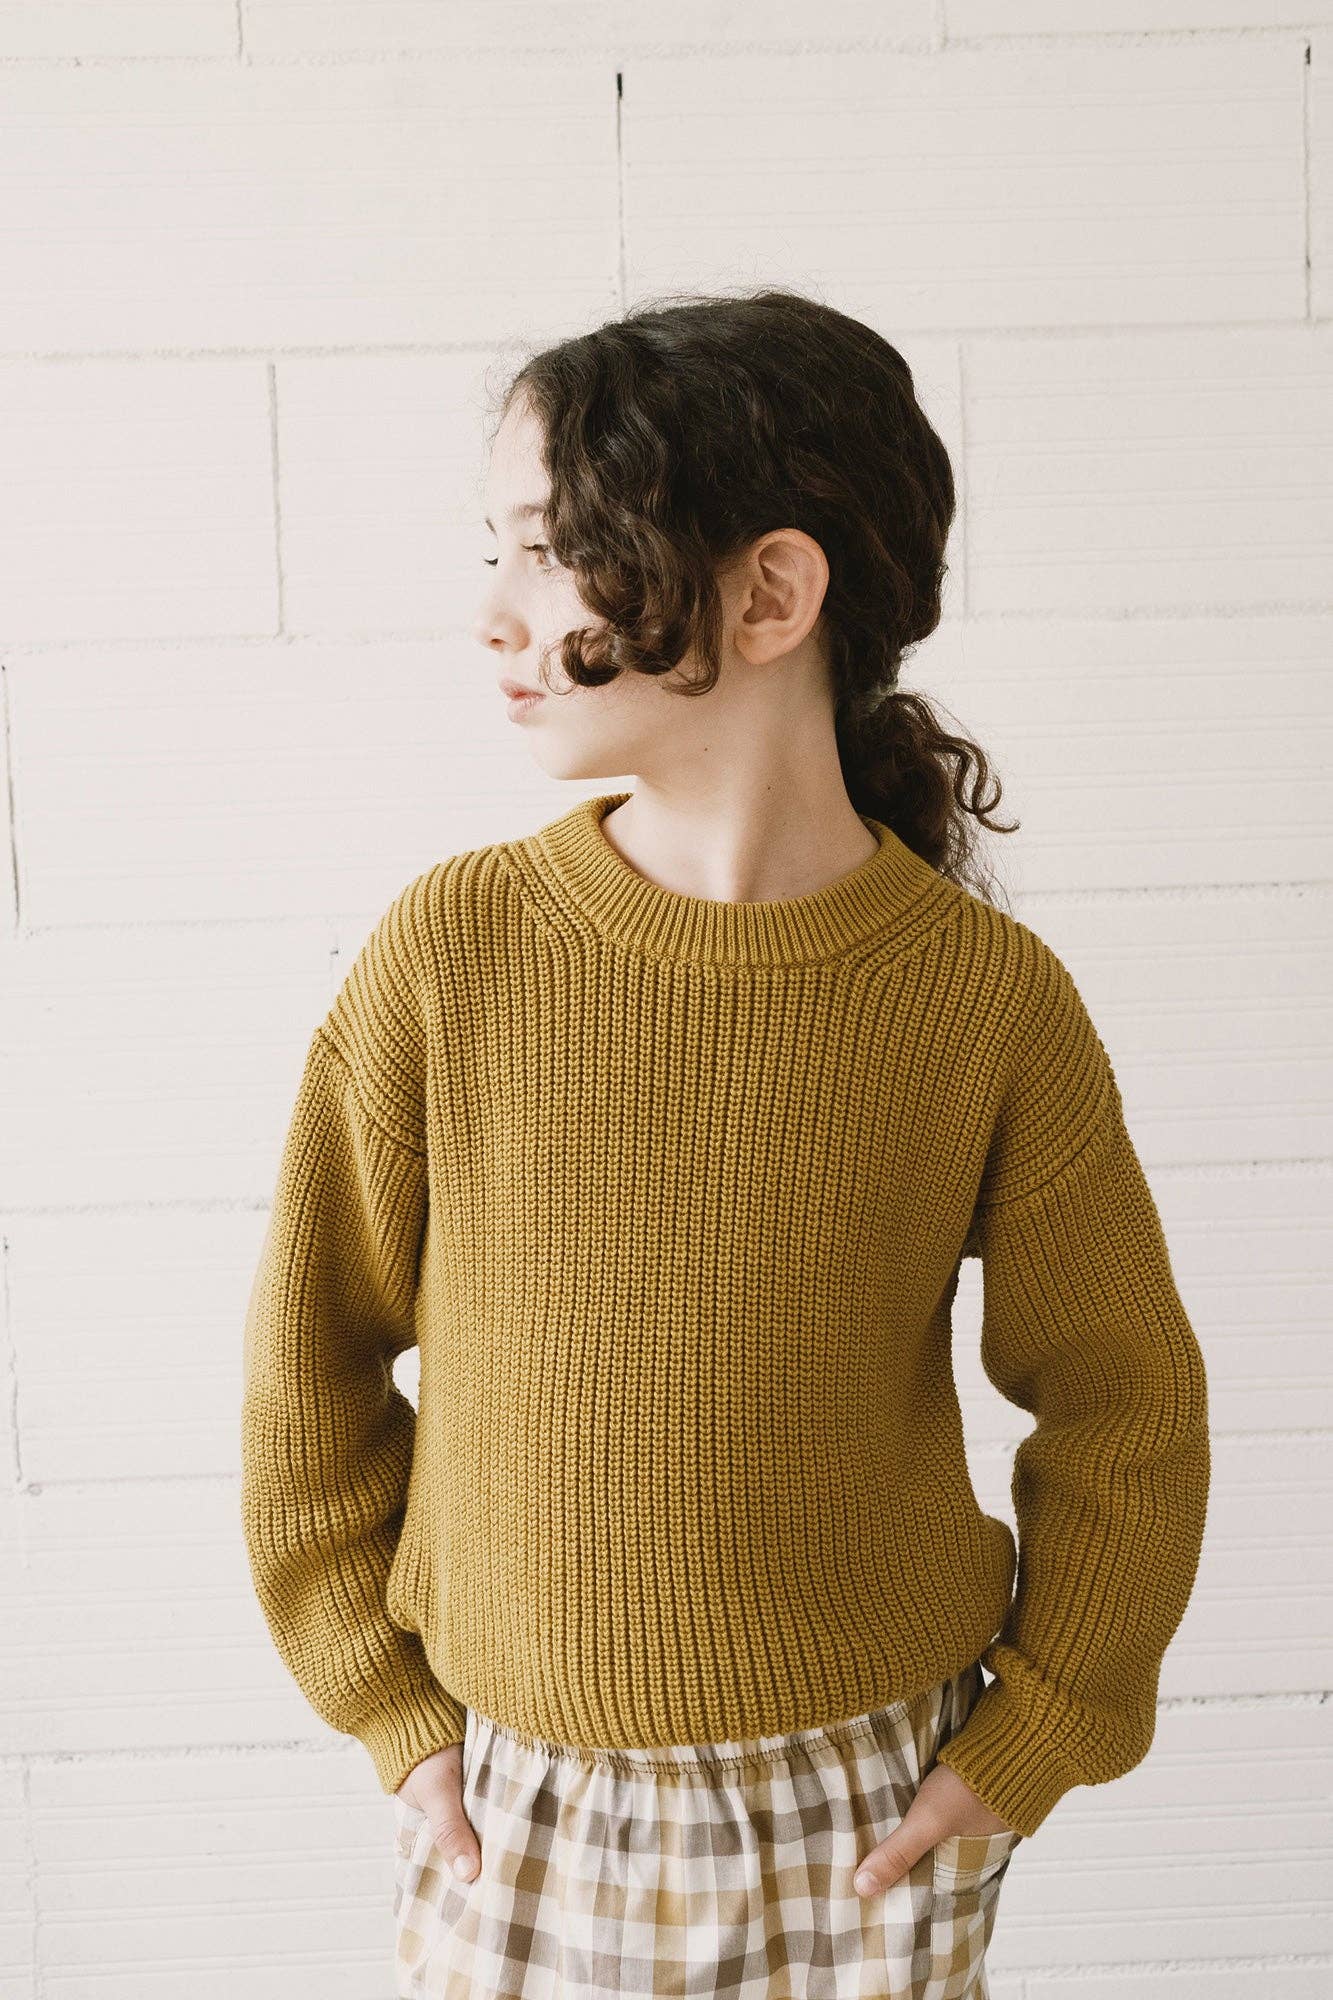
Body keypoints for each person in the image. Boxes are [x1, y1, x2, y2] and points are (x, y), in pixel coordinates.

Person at [240, 288, 1211, 1999]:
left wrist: (1040, 1729)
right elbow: (309, 1360)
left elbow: (1124, 1401)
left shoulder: (982, 1001)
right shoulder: (452, 955)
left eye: (553, 552)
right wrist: (387, 1706)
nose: (493, 610)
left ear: (769, 594)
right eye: (494, 550)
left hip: (868, 1806)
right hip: (520, 1805)